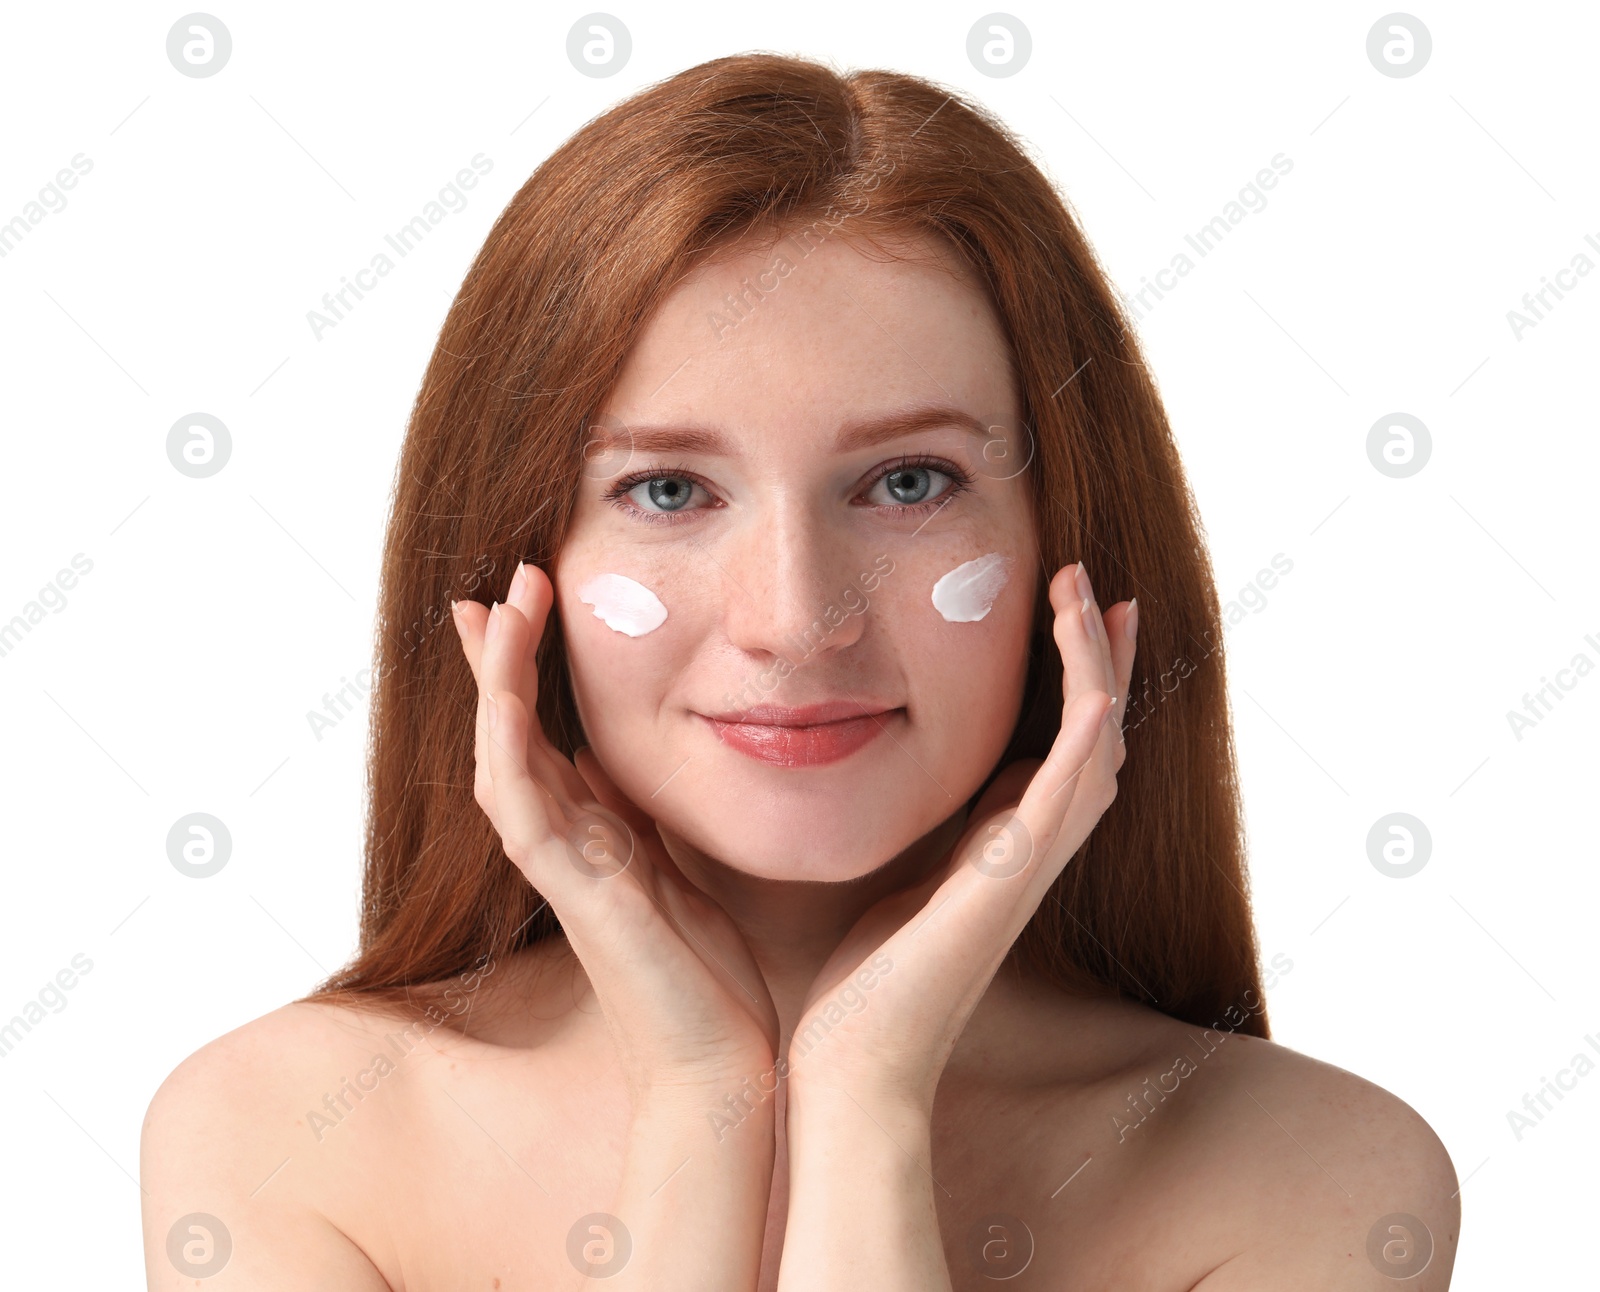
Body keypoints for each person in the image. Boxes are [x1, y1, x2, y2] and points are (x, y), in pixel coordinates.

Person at [140, 52, 1459, 1289]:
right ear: (511, 574)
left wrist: (865, 1098)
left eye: (906, 482)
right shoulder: (283, 1139)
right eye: (667, 489)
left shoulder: (1316, 1178)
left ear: (1075, 547)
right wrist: (704, 1105)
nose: (795, 620)